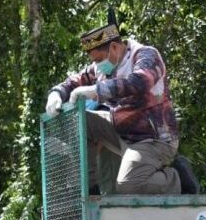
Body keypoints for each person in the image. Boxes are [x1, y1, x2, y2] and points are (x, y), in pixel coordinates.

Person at [45, 23, 180, 195]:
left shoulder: (145, 55)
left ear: (114, 47)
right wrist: (56, 94)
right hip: (120, 131)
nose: (97, 65)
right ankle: (90, 189)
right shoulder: (101, 67)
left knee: (128, 186)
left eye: (99, 60)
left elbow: (139, 82)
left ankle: (175, 178)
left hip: (152, 139)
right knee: (80, 120)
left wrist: (95, 91)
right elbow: (74, 81)